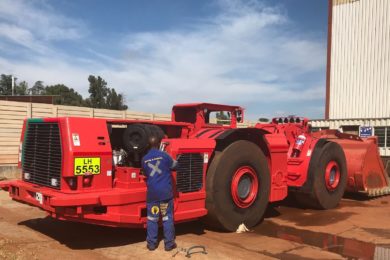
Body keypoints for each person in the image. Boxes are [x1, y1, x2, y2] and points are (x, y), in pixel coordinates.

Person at [141, 135, 177, 251]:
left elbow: (145, 173)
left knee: (152, 219)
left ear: (148, 144)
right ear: (159, 143)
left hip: (152, 195)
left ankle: (151, 244)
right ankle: (169, 244)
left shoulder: (144, 159)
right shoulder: (165, 156)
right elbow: (176, 166)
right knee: (167, 218)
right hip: (165, 194)